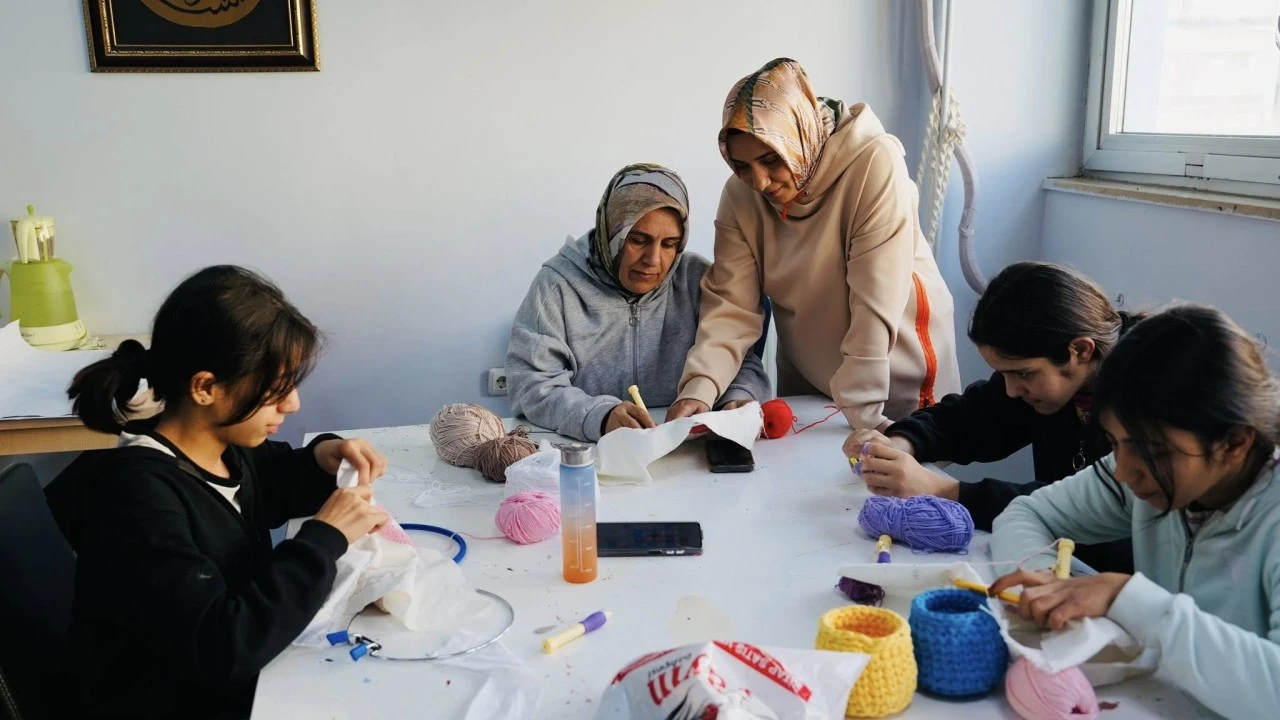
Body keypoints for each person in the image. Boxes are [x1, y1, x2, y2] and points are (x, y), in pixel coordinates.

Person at [45, 265, 389, 719]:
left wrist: (324, 456)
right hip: (167, 699)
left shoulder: (221, 445)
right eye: (275, 390)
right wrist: (322, 540)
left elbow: (274, 479)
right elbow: (222, 646)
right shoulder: (137, 497)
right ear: (206, 387)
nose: (292, 404)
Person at [989, 304, 1280, 720]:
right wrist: (1048, 581)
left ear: (1234, 443)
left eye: (1151, 451)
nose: (1123, 472)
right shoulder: (1142, 468)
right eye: (1114, 441)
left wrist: (1128, 599)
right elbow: (1027, 514)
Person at [669, 58, 960, 431]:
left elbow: (875, 300)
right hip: (813, 382)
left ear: (800, 135)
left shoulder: (873, 163)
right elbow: (731, 306)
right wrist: (701, 387)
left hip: (894, 374)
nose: (758, 182)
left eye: (771, 159)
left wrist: (865, 417)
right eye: (741, 165)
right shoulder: (740, 196)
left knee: (903, 481)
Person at [847, 262, 1139, 573]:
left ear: (1080, 350)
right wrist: (901, 443)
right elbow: (968, 419)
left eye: (1022, 373)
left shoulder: (1143, 410)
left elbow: (1093, 511)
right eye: (1003, 375)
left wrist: (947, 492)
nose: (1012, 390)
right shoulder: (1051, 384)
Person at [507, 163, 771, 442]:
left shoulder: (696, 280)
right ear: (612, 232)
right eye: (638, 240)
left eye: (669, 244)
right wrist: (600, 416)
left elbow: (741, 363)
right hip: (589, 453)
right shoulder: (557, 285)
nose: (653, 260)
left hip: (683, 451)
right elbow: (532, 385)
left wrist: (738, 399)